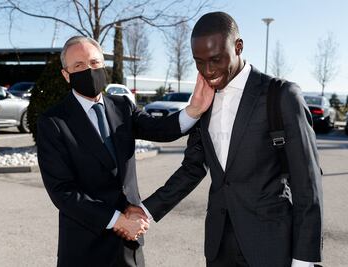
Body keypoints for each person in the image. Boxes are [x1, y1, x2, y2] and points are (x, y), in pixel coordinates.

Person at [126, 12, 323, 267]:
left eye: (215, 60)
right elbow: (193, 168)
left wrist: (303, 259)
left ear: (238, 47)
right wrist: (146, 209)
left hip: (272, 246)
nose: (208, 71)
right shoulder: (204, 100)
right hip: (219, 248)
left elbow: (307, 182)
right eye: (199, 62)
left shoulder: (281, 96)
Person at [36, 35, 214, 267]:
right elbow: (63, 192)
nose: (88, 70)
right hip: (85, 248)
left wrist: (193, 110)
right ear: (66, 75)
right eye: (78, 65)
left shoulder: (122, 106)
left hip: (130, 246)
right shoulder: (53, 121)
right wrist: (117, 220)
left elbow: (160, 130)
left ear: (103, 65)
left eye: (94, 63)